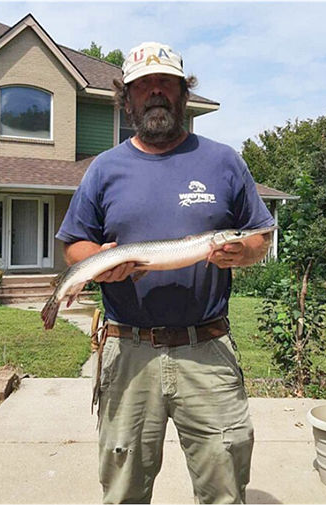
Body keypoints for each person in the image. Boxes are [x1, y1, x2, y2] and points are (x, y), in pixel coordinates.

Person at [56, 41, 275, 505]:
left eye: (166, 83)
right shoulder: (104, 169)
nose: (156, 93)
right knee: (123, 492)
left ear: (182, 93)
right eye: (144, 86)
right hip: (127, 350)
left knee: (224, 490)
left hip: (208, 351)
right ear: (127, 99)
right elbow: (75, 246)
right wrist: (100, 266)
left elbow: (260, 234)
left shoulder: (223, 161)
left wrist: (245, 252)